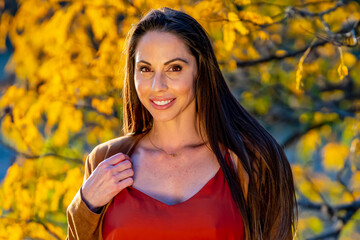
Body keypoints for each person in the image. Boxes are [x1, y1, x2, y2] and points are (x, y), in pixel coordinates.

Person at [67, 7, 297, 240]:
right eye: (145, 69)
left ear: (200, 71)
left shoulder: (251, 160)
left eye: (174, 68)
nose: (158, 85)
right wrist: (84, 206)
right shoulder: (106, 161)